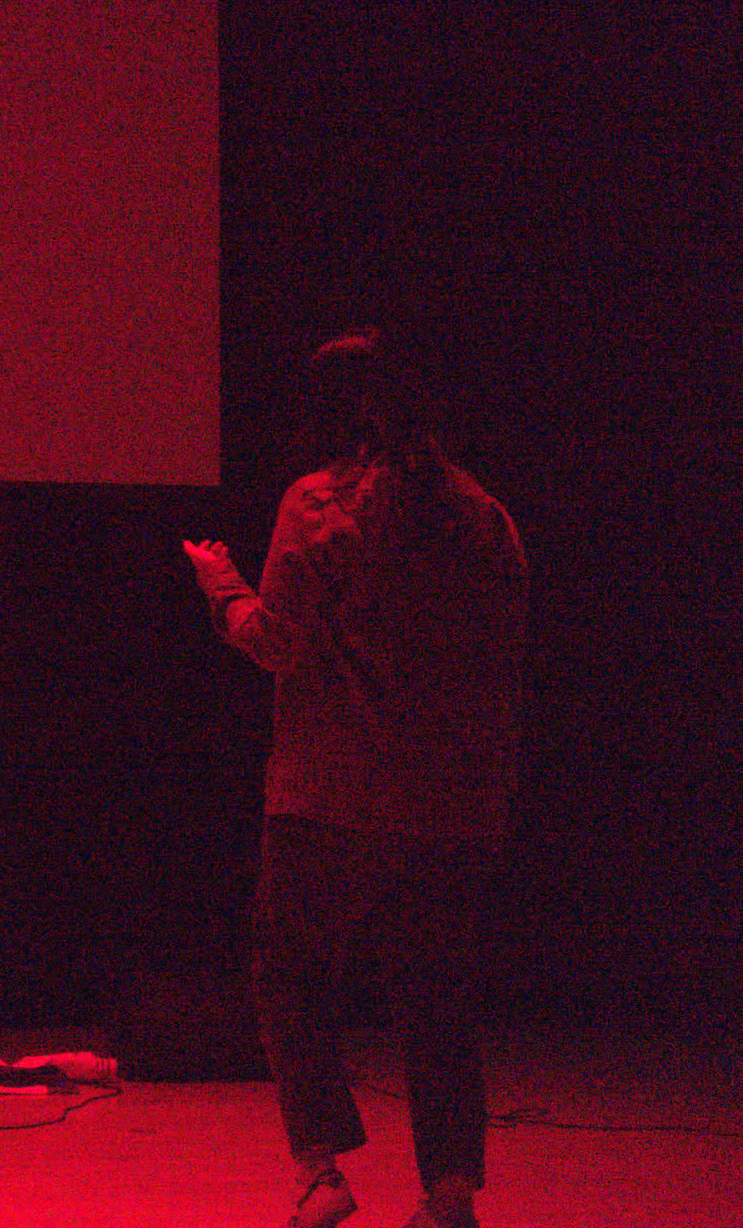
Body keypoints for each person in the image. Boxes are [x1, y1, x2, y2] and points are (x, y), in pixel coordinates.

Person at [182, 331, 527, 1228]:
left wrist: (220, 584)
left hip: (327, 795)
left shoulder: (317, 504)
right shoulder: (483, 516)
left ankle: (323, 1173)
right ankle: (447, 1193)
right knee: (438, 997)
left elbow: (276, 643)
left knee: (290, 974)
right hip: (451, 804)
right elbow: (506, 655)